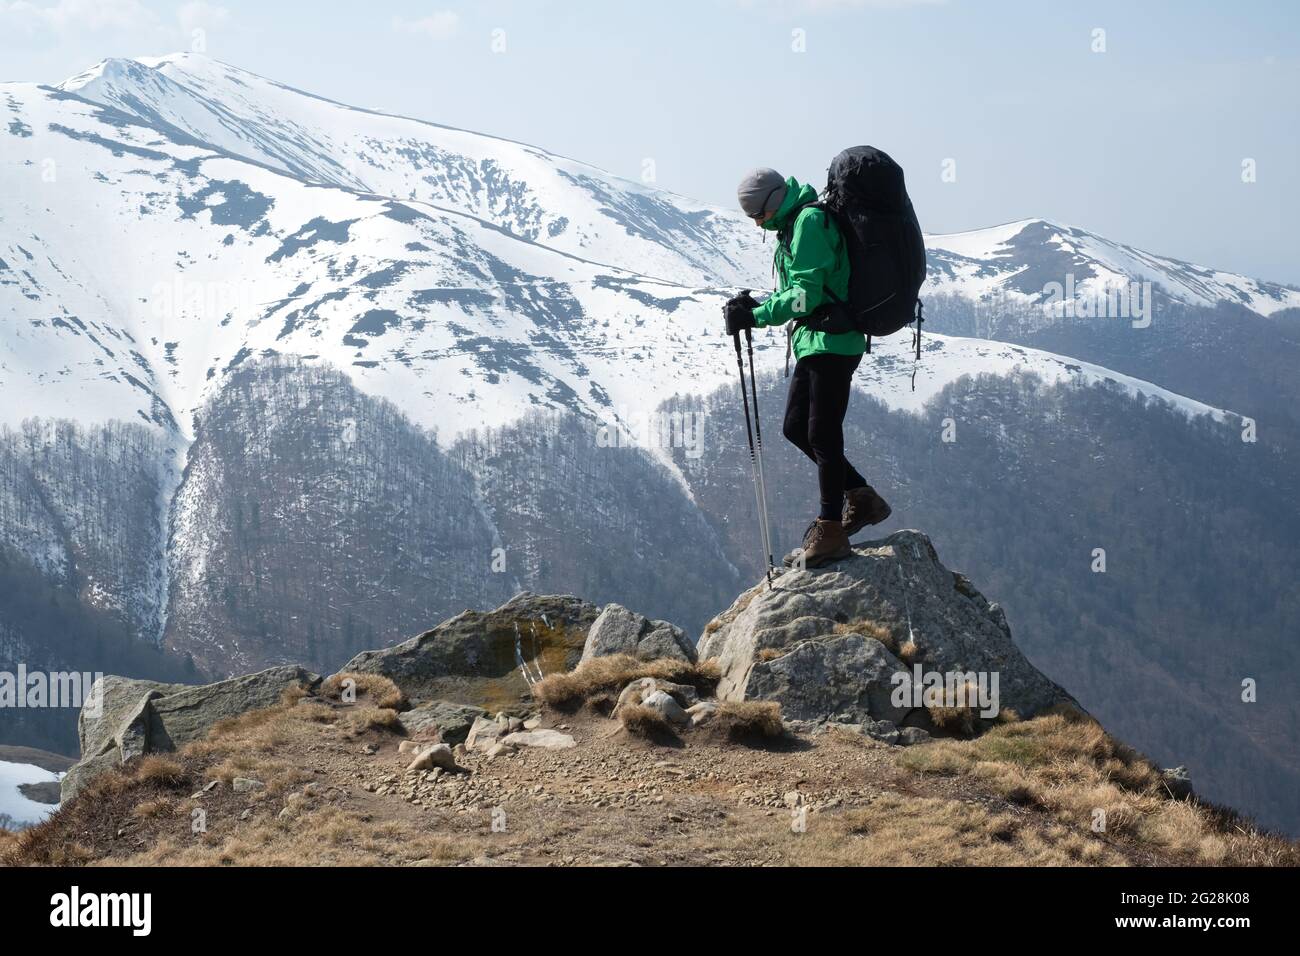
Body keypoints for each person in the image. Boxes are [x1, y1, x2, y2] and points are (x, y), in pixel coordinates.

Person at [724, 167, 891, 568]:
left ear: (772, 204)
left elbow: (805, 296)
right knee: (797, 427)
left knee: (821, 432)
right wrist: (755, 306)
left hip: (833, 339)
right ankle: (863, 498)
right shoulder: (793, 227)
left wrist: (757, 317)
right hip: (817, 340)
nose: (757, 224)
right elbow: (802, 289)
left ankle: (830, 527)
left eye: (756, 215)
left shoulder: (810, 222)